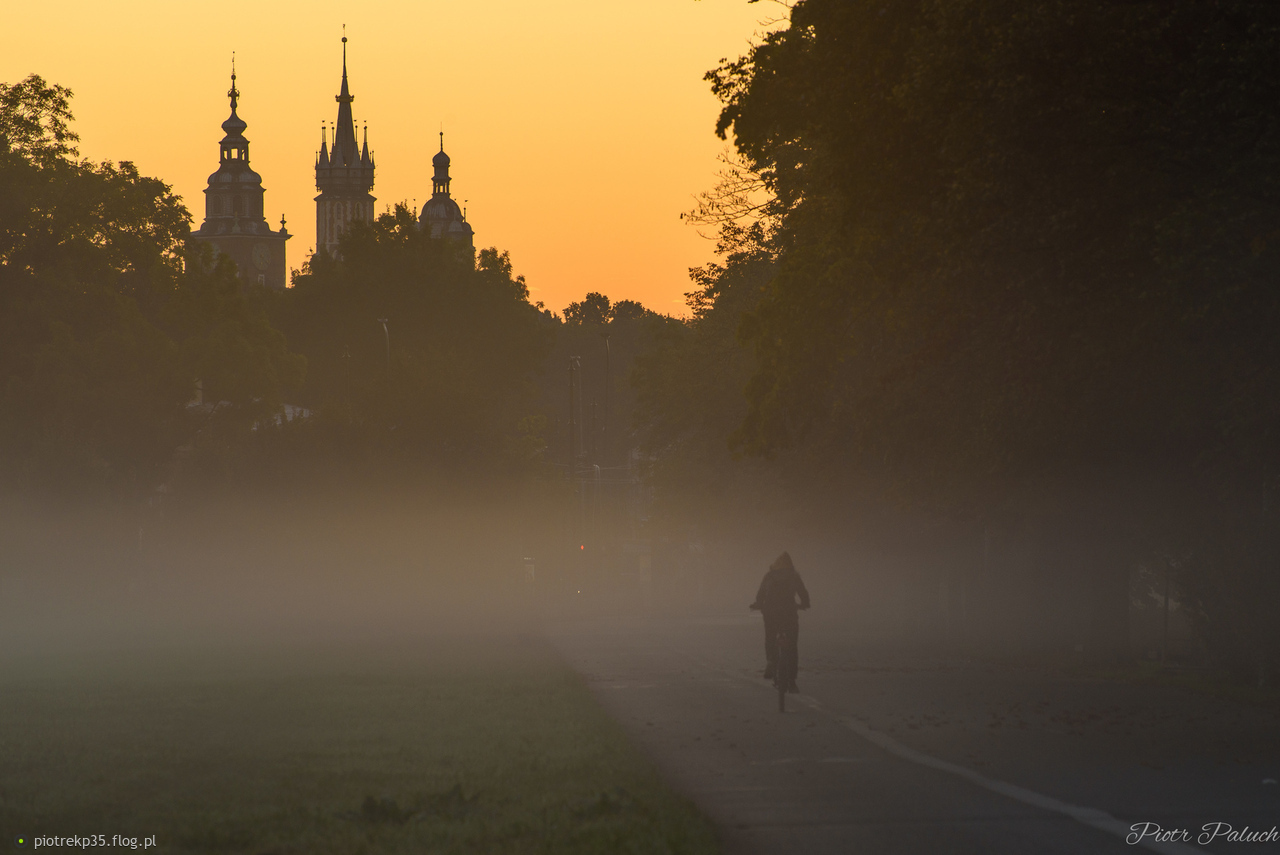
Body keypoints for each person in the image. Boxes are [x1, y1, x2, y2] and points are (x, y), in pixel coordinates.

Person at [749, 551, 810, 691]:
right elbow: (803, 594)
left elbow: (760, 594)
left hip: (771, 612)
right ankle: (792, 682)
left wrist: (758, 605)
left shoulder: (769, 576)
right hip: (789, 613)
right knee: (792, 646)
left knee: (770, 637)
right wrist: (805, 604)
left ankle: (771, 661)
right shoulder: (794, 576)